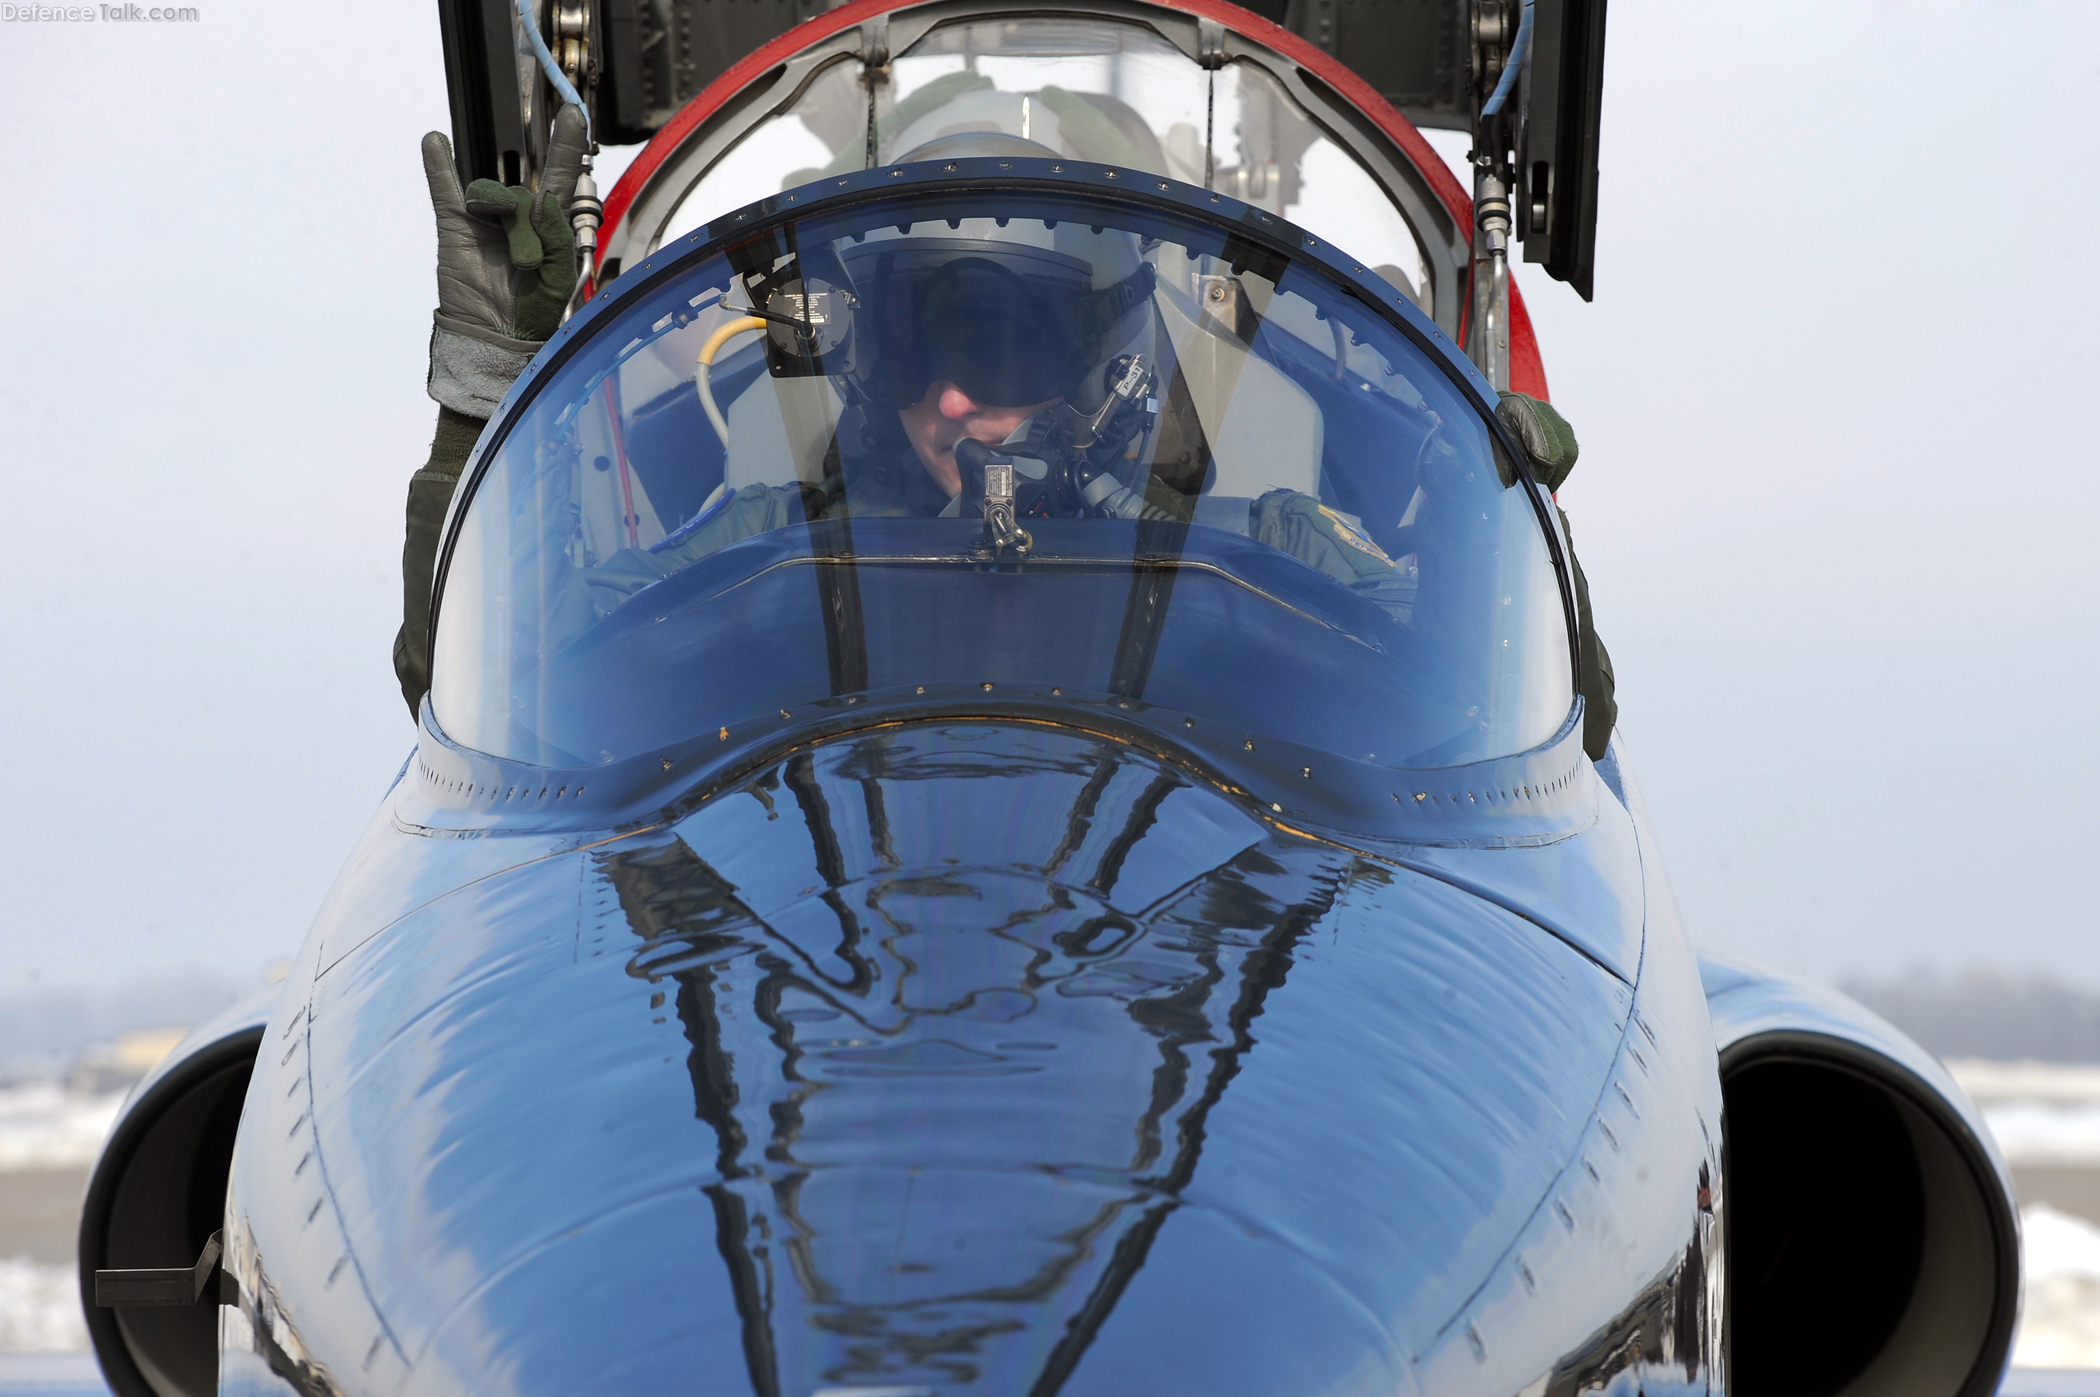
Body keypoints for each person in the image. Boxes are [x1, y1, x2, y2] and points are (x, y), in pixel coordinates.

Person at [395, 119, 1617, 761]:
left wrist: (1480, 528)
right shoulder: (765, 548)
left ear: (1113, 370)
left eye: (1007, 351)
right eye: (924, 352)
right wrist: (488, 405)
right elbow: (513, 684)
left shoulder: (1280, 554)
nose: (956, 406)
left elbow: (1531, 745)